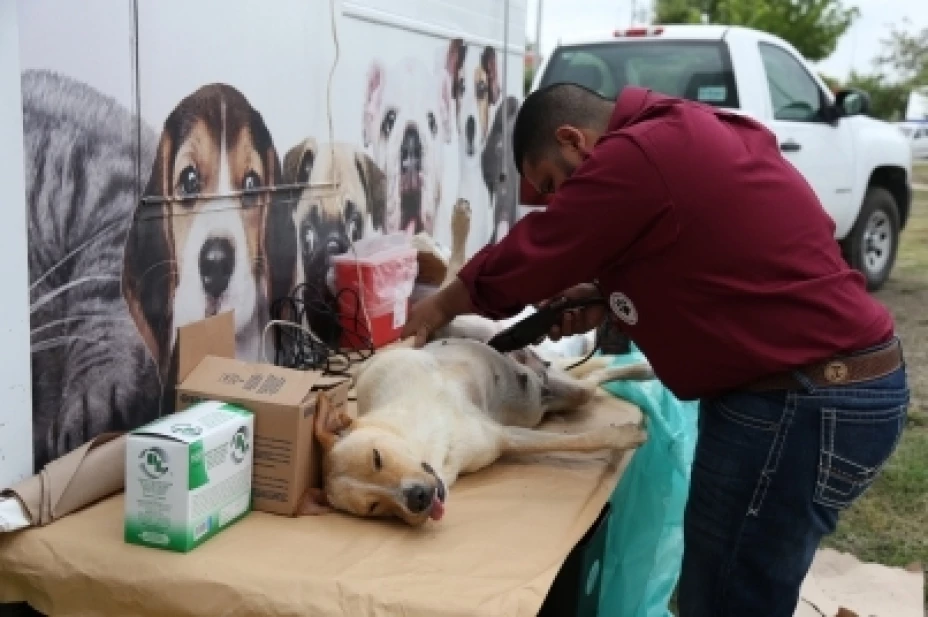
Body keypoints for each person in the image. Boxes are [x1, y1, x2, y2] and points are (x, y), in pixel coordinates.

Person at [401, 83, 910, 617]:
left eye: (554, 184)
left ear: (574, 140)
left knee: (726, 602)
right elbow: (720, 260)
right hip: (830, 389)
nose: (559, 201)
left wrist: (441, 306)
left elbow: (542, 247)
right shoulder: (686, 132)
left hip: (802, 402)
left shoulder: (640, 152)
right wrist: (610, 296)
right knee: (736, 590)